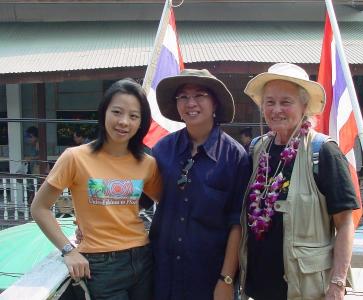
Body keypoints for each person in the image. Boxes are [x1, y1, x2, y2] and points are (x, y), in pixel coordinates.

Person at [31, 78, 163, 300]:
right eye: (117, 112)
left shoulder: (147, 163)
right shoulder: (75, 158)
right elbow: (39, 208)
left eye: (133, 116)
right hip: (100, 265)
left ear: (141, 122)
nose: (124, 122)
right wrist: (68, 251)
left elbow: (167, 202)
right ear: (104, 113)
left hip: (143, 258)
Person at [239, 63, 360, 300]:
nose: (276, 109)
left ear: (304, 106)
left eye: (286, 102)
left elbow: (345, 223)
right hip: (259, 288)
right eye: (270, 102)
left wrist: (337, 284)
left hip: (307, 289)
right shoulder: (256, 149)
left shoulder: (323, 152)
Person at [150, 69, 251, 300]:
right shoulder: (162, 150)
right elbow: (136, 200)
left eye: (200, 95)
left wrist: (226, 279)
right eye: (183, 97)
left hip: (209, 276)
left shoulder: (235, 157)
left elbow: (237, 223)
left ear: (215, 103)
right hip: (162, 273)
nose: (190, 103)